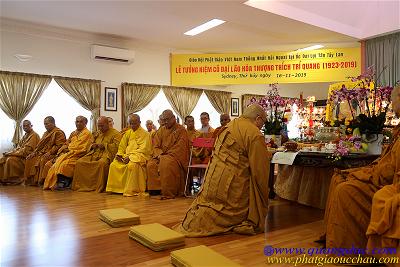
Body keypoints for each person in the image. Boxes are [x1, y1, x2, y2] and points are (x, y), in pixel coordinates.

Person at [323, 85, 400, 250]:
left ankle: (349, 248)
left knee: (345, 190)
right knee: (338, 177)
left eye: (393, 101)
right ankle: (333, 238)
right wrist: (365, 172)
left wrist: (366, 174)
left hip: (389, 184)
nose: (392, 106)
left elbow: (389, 172)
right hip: (382, 176)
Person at [175, 104, 271, 236]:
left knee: (207, 209)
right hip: (233, 193)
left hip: (211, 185)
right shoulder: (254, 134)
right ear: (258, 118)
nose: (262, 126)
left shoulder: (228, 127)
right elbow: (260, 172)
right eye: (263, 122)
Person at [146, 109, 189, 199]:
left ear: (173, 118)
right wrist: (159, 154)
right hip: (161, 155)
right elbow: (155, 145)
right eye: (163, 120)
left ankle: (168, 191)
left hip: (174, 156)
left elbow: (180, 147)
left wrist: (165, 155)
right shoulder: (161, 130)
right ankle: (155, 191)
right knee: (151, 164)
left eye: (167, 119)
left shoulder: (181, 130)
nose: (165, 122)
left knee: (166, 164)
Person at [72, 116, 121, 192]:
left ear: (107, 124)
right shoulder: (96, 133)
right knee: (80, 162)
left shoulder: (116, 133)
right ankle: (80, 186)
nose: (100, 128)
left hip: (106, 154)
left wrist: (104, 145)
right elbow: (89, 144)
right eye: (99, 126)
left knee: (101, 164)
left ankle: (98, 187)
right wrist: (92, 145)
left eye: (102, 126)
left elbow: (118, 147)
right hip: (94, 153)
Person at [106, 114, 151, 196]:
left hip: (139, 156)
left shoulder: (146, 134)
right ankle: (115, 189)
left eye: (134, 123)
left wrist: (130, 157)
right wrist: (120, 155)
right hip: (125, 156)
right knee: (113, 164)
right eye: (130, 123)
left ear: (139, 122)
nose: (132, 125)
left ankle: (131, 189)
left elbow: (144, 149)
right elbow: (122, 146)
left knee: (132, 166)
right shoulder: (127, 133)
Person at [43, 116, 92, 190]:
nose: (78, 123)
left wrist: (68, 150)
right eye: (77, 121)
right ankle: (49, 182)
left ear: (85, 123)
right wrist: (63, 149)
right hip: (67, 154)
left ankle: (63, 183)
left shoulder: (87, 134)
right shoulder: (73, 133)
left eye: (80, 122)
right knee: (49, 164)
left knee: (64, 164)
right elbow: (67, 143)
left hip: (78, 155)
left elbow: (82, 148)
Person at [24, 116, 66, 185]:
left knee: (43, 159)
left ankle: (41, 180)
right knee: (30, 158)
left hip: (53, 154)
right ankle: (31, 181)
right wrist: (34, 152)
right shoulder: (45, 133)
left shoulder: (58, 132)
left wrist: (50, 152)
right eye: (44, 124)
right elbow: (40, 145)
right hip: (42, 153)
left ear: (53, 123)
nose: (45, 126)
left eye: (47, 124)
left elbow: (59, 145)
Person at [0, 120, 40, 184]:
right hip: (20, 155)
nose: (25, 127)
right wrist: (9, 153)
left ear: (31, 126)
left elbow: (25, 151)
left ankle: (16, 179)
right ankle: (2, 178)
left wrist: (11, 154)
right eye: (24, 126)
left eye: (27, 125)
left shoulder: (34, 135)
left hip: (27, 157)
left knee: (10, 159)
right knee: (3, 158)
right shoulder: (25, 136)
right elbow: (18, 148)